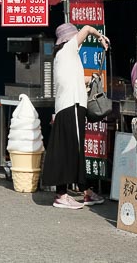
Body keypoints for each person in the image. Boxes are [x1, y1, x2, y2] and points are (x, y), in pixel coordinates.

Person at [42, 22, 109, 210]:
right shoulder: (69, 49)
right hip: (71, 107)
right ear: (70, 39)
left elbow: (76, 79)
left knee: (71, 150)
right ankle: (64, 195)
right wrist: (100, 37)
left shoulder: (63, 57)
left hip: (68, 108)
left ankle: (83, 191)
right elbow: (87, 28)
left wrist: (91, 79)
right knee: (72, 150)